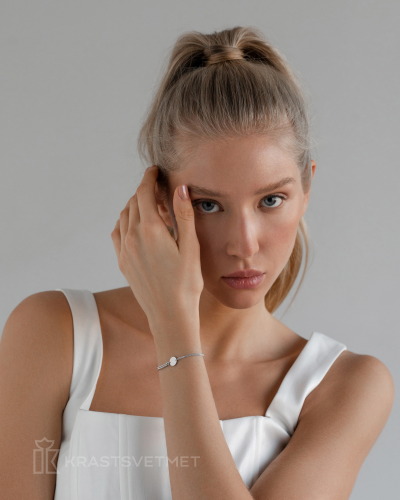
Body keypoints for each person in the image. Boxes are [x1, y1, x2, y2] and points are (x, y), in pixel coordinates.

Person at [0, 26, 394, 500]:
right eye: (209, 204)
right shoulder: (51, 333)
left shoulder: (344, 387)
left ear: (306, 190)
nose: (243, 244)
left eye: (271, 200)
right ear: (160, 201)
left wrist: (174, 330)